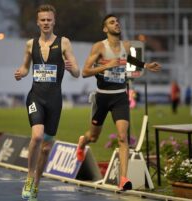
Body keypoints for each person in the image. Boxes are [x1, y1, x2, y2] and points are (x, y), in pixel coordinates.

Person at [76, 14, 161, 191]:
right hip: (102, 97)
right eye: (112, 22)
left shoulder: (127, 45)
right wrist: (107, 65)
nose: (116, 24)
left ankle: (123, 179)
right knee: (93, 137)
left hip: (120, 97)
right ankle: (82, 142)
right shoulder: (99, 47)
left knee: (123, 137)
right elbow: (85, 71)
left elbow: (127, 59)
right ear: (105, 29)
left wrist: (145, 65)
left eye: (117, 21)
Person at [14, 4, 80, 201]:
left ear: (54, 21)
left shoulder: (64, 43)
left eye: (49, 20)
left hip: (54, 101)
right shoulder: (30, 44)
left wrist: (71, 68)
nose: (45, 23)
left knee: (45, 148)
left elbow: (77, 72)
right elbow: (25, 67)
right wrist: (21, 73)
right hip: (35, 96)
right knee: (37, 136)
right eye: (42, 20)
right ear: (37, 22)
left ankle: (36, 183)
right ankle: (28, 178)